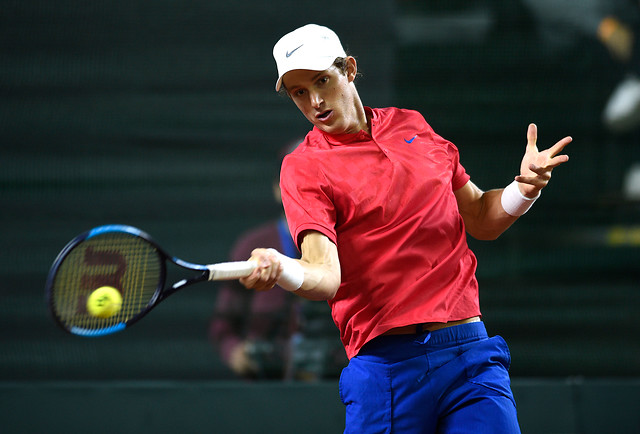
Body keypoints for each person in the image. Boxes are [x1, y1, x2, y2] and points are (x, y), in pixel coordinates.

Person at [239, 24, 571, 432]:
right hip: (388, 369)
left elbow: (480, 216)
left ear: (349, 69)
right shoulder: (302, 167)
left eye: (322, 81)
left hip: (469, 355)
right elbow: (324, 275)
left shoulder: (412, 126)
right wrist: (282, 268)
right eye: (299, 93)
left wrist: (525, 189)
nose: (315, 101)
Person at [209, 152, 347, 381]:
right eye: (296, 182)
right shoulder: (252, 245)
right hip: (266, 384)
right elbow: (223, 324)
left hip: (336, 381)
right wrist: (235, 353)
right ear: (276, 188)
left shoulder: (351, 245)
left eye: (316, 184)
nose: (305, 193)